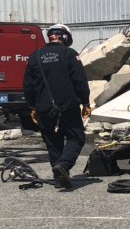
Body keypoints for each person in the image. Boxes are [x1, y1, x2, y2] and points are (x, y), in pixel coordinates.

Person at [22, 23, 90, 189]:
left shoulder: (35, 56)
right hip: (67, 105)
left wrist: (32, 107)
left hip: (43, 108)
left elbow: (28, 85)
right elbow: (80, 80)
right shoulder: (70, 54)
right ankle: (63, 166)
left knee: (53, 142)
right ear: (65, 37)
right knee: (76, 137)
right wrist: (85, 102)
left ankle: (59, 178)